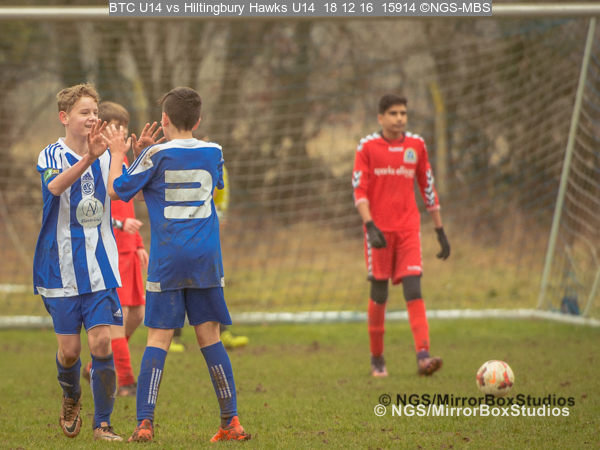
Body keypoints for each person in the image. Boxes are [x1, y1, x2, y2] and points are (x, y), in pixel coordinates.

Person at [106, 87, 251, 442]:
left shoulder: (155, 155)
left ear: (164, 119)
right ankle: (231, 422)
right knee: (210, 336)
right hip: (206, 258)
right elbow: (203, 186)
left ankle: (144, 423)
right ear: (198, 120)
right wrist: (145, 158)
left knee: (158, 338)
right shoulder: (214, 151)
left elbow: (116, 190)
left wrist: (122, 155)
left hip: (168, 258)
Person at [33, 83, 123, 441]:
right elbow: (55, 187)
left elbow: (122, 190)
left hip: (100, 266)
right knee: (70, 352)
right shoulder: (51, 154)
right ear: (64, 117)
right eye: (84, 112)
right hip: (59, 268)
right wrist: (89, 157)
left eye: (95, 112)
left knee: (101, 343)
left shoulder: (108, 154)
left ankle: (103, 424)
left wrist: (131, 156)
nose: (92, 118)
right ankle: (71, 396)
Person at [352, 94, 451, 378]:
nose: (399, 118)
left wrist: (439, 230)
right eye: (393, 113)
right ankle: (377, 359)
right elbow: (359, 190)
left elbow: (427, 187)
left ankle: (423, 356)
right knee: (379, 294)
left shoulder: (416, 145)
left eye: (403, 113)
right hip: (379, 231)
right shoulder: (367, 147)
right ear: (380, 117)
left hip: (408, 229)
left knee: (414, 289)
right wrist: (370, 225)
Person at [82, 101, 152, 396]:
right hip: (109, 252)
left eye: (123, 127)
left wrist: (138, 243)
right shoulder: (95, 163)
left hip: (129, 250)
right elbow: (89, 211)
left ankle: (94, 366)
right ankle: (125, 381)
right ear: (101, 130)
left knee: (137, 314)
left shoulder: (121, 162)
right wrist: (121, 227)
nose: (120, 132)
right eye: (114, 127)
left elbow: (130, 204)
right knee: (117, 318)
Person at [169, 164, 249, 353]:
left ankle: (222, 331)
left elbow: (220, 196)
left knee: (211, 281)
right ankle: (172, 335)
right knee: (179, 282)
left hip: (205, 232)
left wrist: (219, 215)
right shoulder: (180, 162)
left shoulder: (217, 161)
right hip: (181, 232)